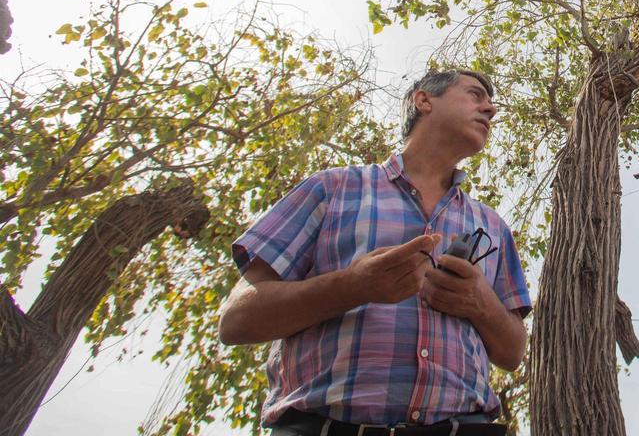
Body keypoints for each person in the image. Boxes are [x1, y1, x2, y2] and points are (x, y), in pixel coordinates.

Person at [218, 70, 531, 436]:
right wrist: (353, 286)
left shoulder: (492, 225)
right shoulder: (331, 188)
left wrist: (480, 301)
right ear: (424, 100)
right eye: (476, 95)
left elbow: (512, 353)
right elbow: (236, 321)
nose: (490, 109)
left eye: (490, 102)